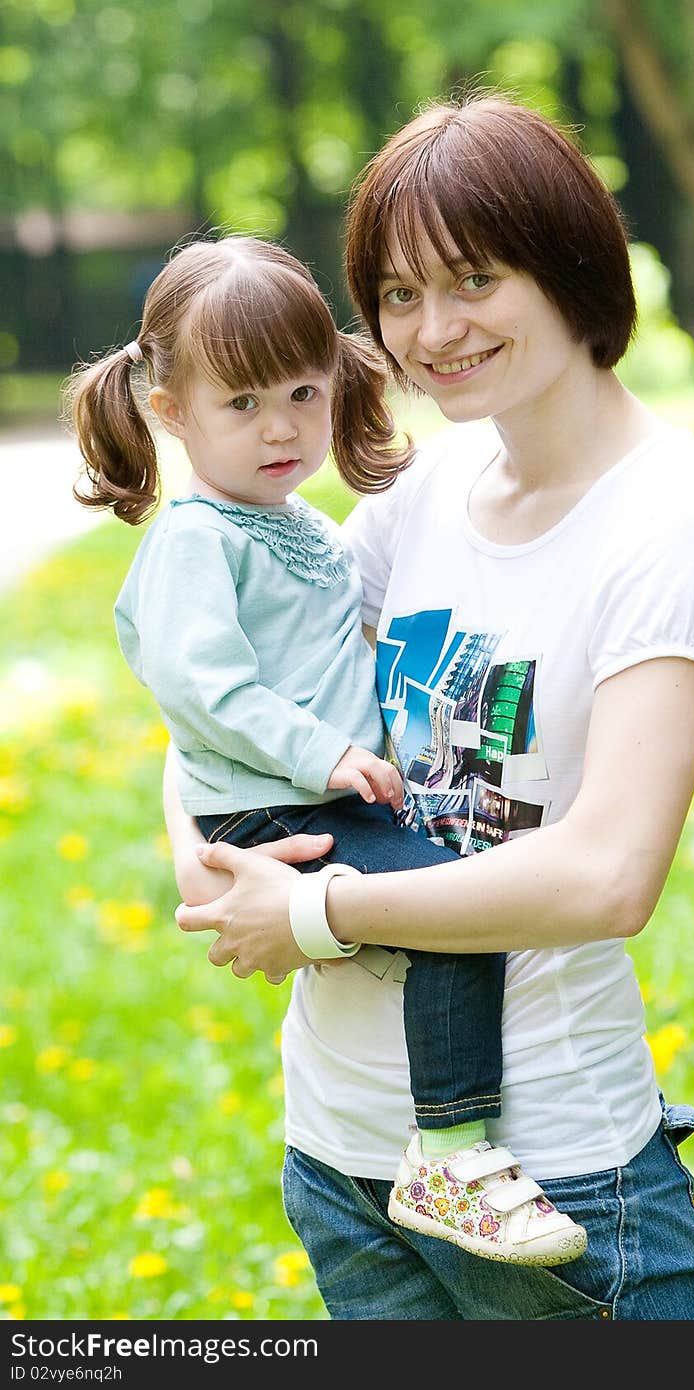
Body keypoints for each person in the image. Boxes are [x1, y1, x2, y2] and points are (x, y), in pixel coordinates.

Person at [165, 96, 694, 1321]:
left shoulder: (675, 519)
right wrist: (215, 861)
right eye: (394, 294)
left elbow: (606, 877)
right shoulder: (416, 496)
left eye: (473, 278)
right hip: (339, 1155)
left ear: (569, 262)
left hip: (555, 1178)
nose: (431, 330)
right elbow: (225, 704)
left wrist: (317, 912)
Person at [67, 233, 587, 1269]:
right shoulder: (194, 539)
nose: (281, 429)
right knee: (454, 912)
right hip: (275, 803)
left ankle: (446, 1142)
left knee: (450, 897)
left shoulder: (290, 519)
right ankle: (449, 1147)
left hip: (312, 790)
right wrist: (322, 753)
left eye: (304, 395)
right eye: (244, 405)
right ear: (169, 411)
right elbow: (201, 688)